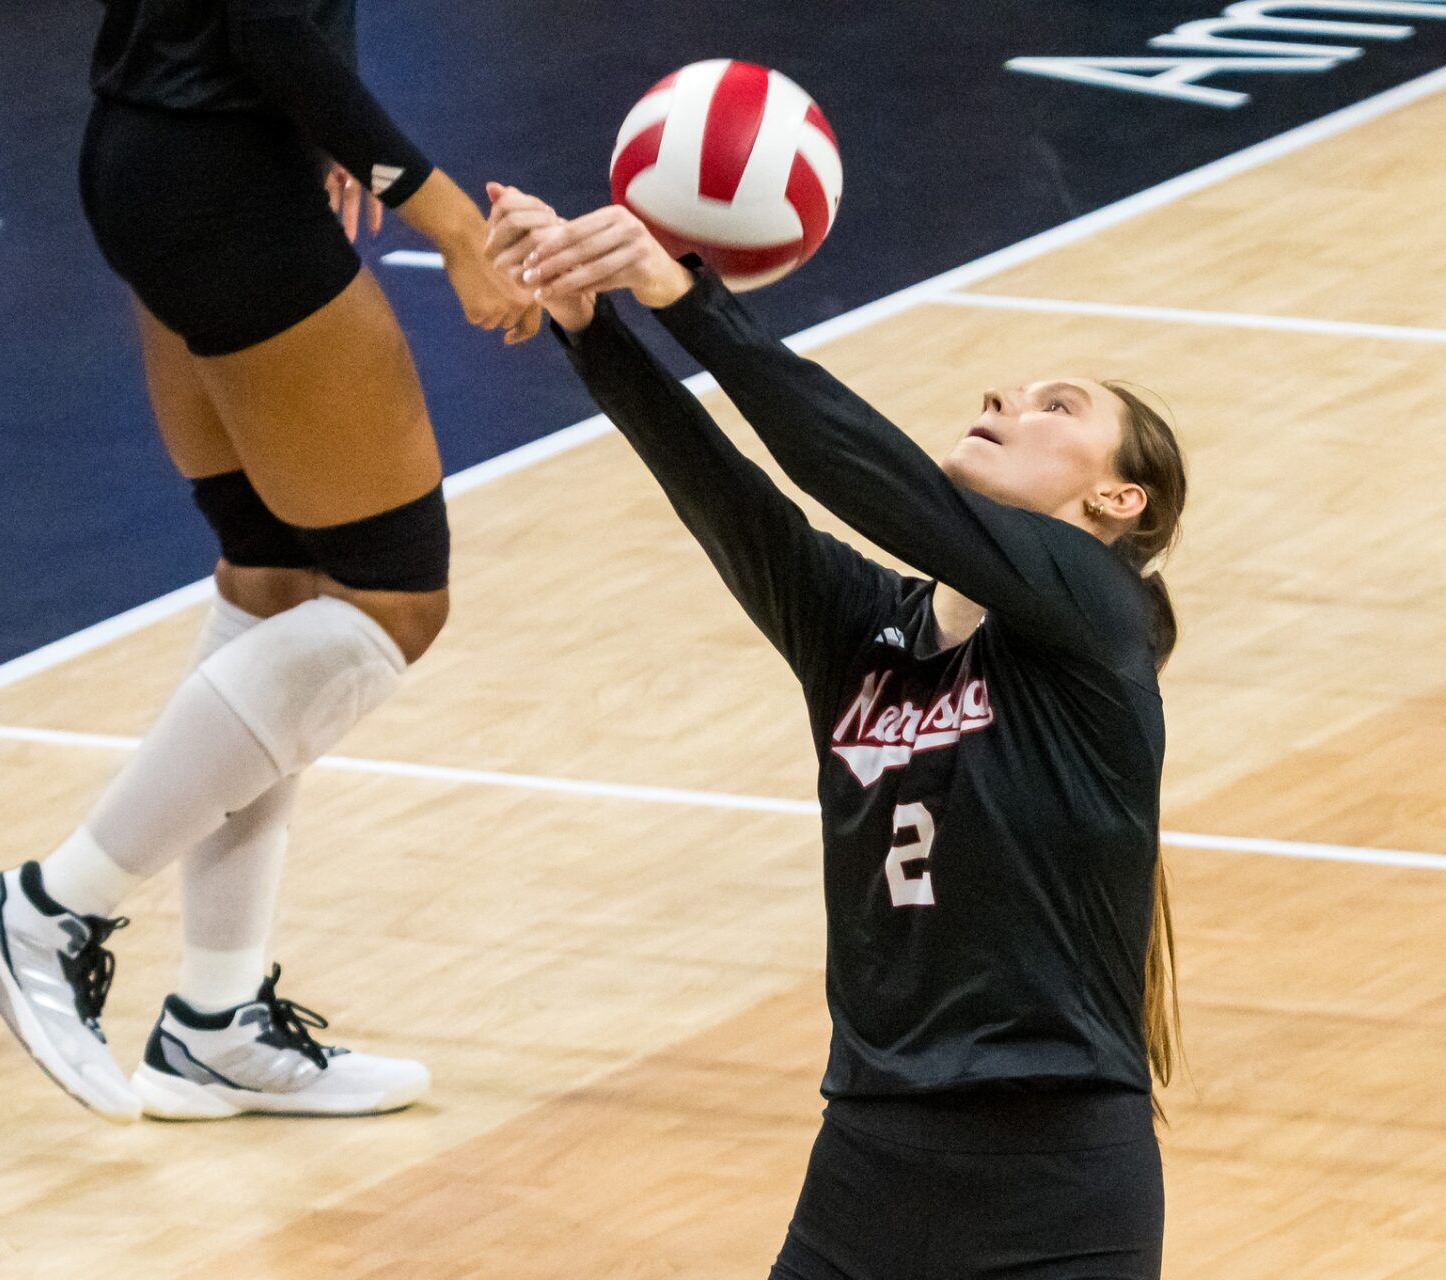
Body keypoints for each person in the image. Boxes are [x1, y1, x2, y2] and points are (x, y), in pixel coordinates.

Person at [484, 186, 1185, 1278]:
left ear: (1116, 503)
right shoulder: (864, 631)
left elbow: (860, 474)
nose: (1006, 395)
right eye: (1015, 387)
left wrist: (686, 294)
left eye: (1059, 407)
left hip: (1054, 1178)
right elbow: (726, 495)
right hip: (870, 1154)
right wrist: (591, 324)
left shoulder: (1097, 613)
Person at [0, 0, 539, 1122]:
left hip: (156, 147)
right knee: (391, 594)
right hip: (219, 174)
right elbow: (267, 17)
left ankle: (217, 1021)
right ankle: (51, 908)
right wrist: (449, 219)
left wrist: (313, 133)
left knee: (277, 575)